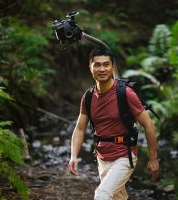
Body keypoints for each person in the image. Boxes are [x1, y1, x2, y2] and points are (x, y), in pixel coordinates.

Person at [68, 47, 159, 200]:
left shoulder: (125, 94)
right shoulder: (88, 97)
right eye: (97, 65)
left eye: (106, 64)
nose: (102, 69)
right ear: (90, 67)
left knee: (102, 195)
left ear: (112, 67)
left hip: (125, 155)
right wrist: (73, 156)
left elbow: (148, 125)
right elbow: (79, 129)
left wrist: (153, 159)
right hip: (102, 157)